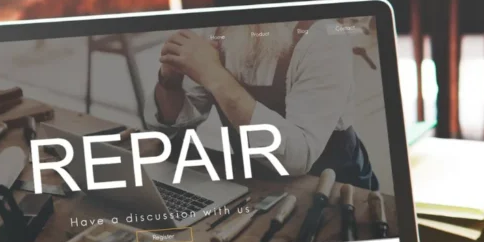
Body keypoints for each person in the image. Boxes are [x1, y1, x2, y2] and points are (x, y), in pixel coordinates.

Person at [145, 20, 379, 190]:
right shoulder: (217, 30)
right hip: (256, 182)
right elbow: (176, 128)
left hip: (334, 187)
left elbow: (299, 157)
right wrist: (170, 82)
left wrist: (214, 74)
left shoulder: (325, 37)